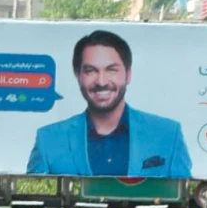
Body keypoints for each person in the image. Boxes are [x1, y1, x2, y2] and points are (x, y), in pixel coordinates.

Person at [25, 31, 192, 180]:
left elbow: (185, 207)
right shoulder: (48, 141)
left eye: (111, 70)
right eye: (91, 71)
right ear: (78, 75)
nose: (102, 81)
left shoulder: (168, 135)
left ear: (128, 74)